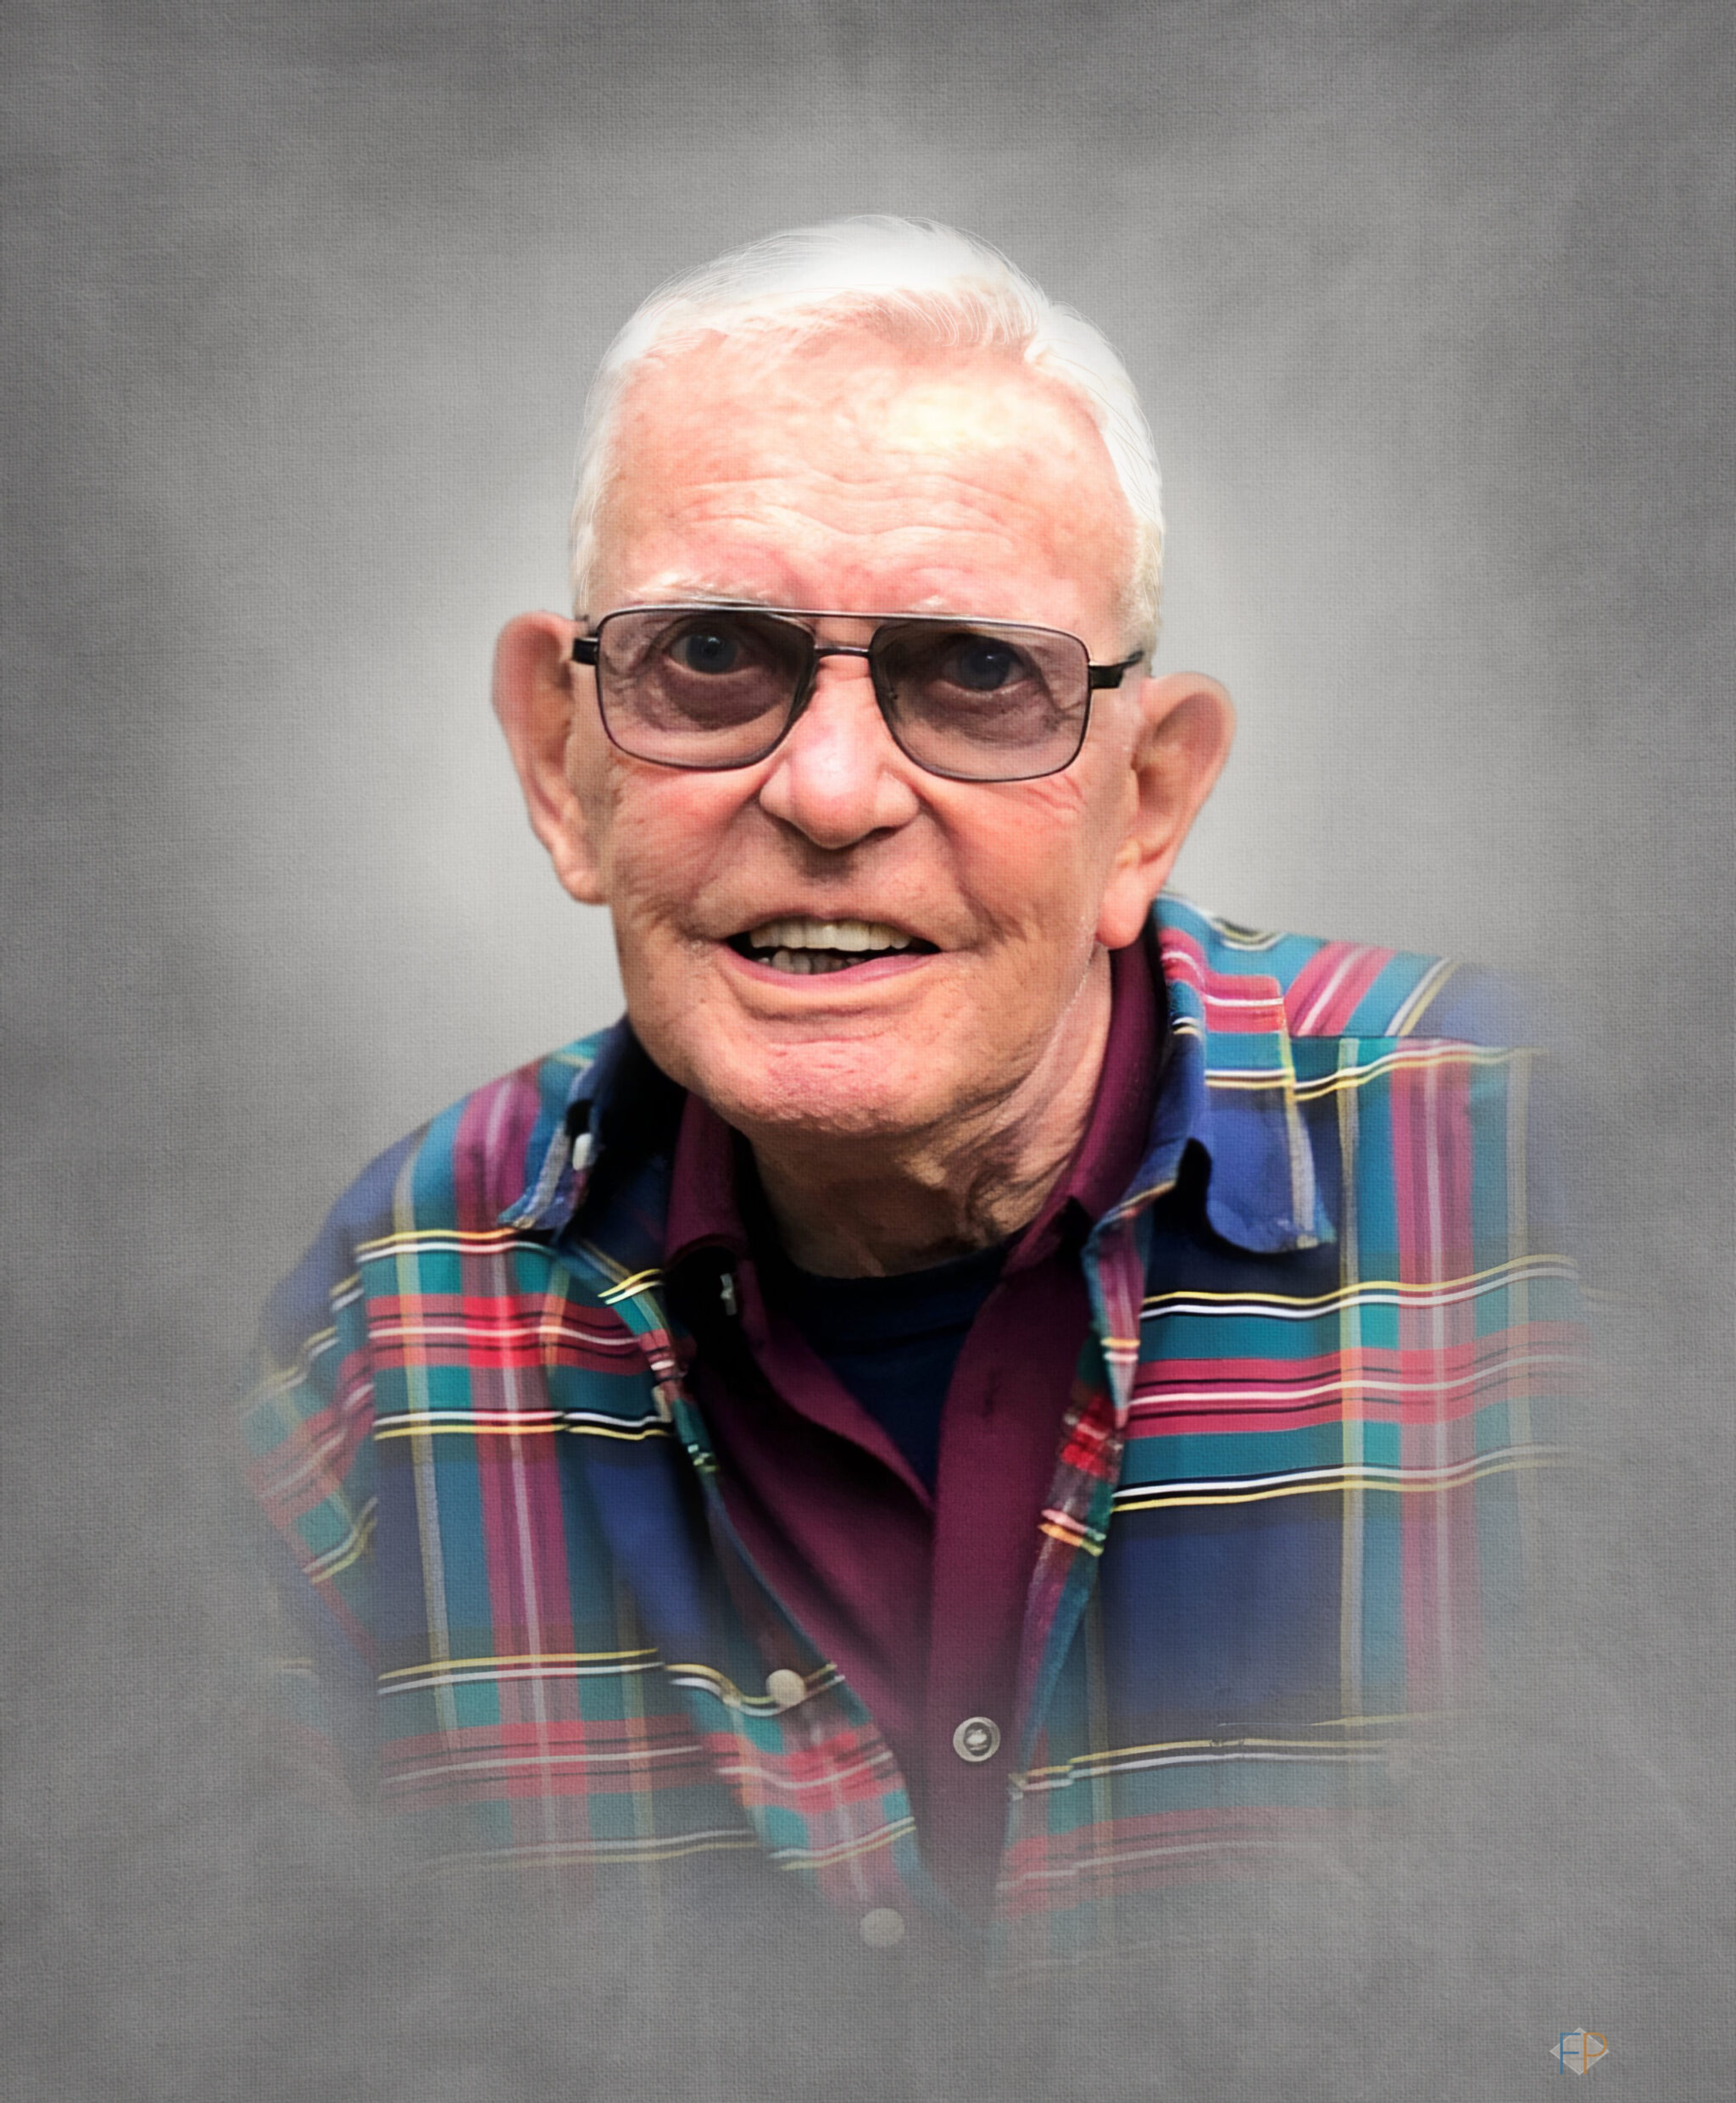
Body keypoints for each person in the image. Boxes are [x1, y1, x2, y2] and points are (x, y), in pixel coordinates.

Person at [242, 217, 1582, 1964]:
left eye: (977, 674)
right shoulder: (384, 1330)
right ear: (561, 765)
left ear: (1149, 802)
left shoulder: (1558, 1208)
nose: (831, 792)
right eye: (710, 657)